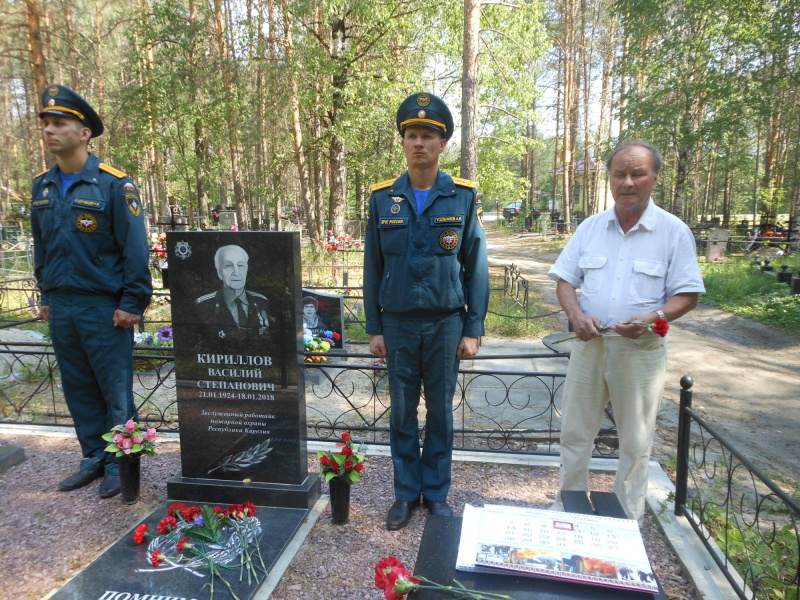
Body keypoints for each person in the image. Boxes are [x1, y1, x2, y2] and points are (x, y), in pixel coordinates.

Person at [547, 140, 705, 522]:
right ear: (610, 178)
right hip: (590, 345)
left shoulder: (673, 232)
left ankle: (626, 518)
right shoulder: (591, 228)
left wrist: (653, 319)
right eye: (620, 174)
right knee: (575, 432)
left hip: (640, 351)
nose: (628, 182)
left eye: (638, 173)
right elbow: (564, 281)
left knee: (634, 441)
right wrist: (576, 315)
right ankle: (568, 507)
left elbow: (687, 295)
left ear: (654, 179)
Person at [364, 92, 490, 530]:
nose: (419, 143)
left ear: (442, 144)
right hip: (397, 324)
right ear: (403, 143)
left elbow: (476, 265)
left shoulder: (462, 198)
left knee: (439, 410)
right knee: (400, 411)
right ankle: (404, 494)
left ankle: (435, 493)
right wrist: (374, 327)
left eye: (428, 136)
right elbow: (372, 267)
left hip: (445, 323)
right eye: (412, 135)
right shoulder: (383, 200)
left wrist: (472, 328)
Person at [30, 84, 153, 499]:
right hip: (63, 305)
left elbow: (134, 248)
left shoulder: (113, 185)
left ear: (84, 133)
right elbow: (42, 246)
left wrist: (133, 302)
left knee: (114, 390)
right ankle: (94, 458)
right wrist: (46, 295)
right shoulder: (42, 187)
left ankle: (124, 463)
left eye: (59, 123)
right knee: (77, 385)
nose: (49, 130)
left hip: (104, 307)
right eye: (45, 123)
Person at [195, 244, 269, 338]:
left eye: (241, 265)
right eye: (229, 266)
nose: (236, 273)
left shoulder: (262, 302)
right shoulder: (203, 305)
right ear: (219, 273)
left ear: (246, 269)